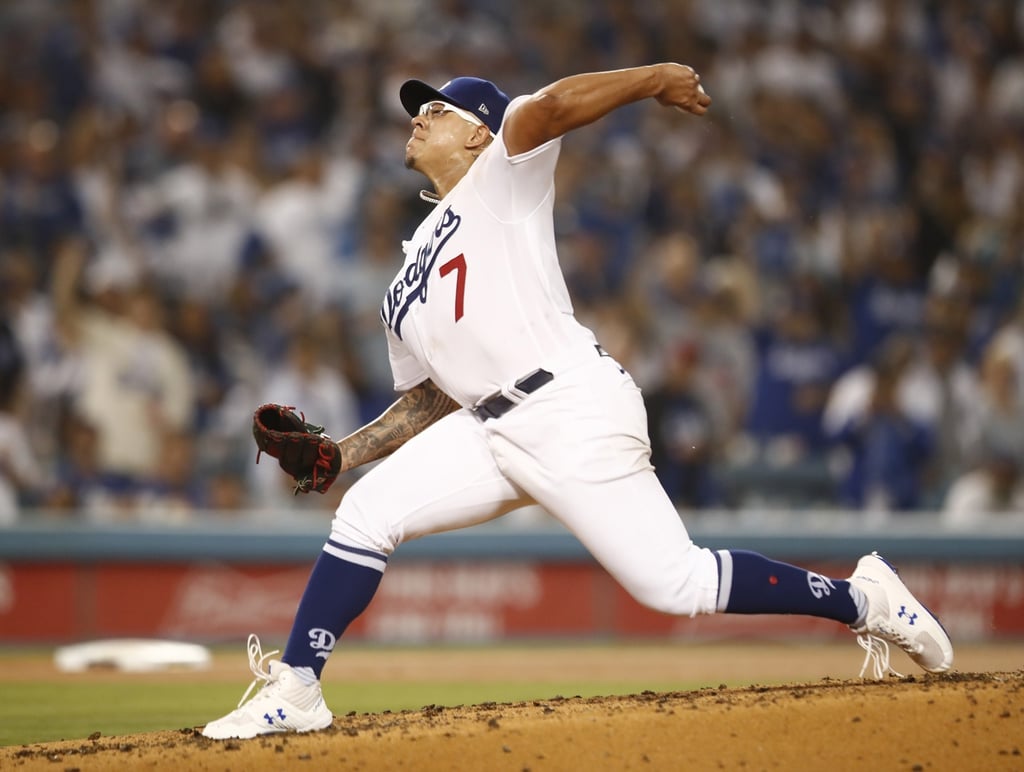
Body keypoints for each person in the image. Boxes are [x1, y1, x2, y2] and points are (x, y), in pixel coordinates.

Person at [202, 64, 954, 740]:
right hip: (486, 429)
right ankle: (298, 690)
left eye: (439, 109)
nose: (420, 115)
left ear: (478, 136)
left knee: (676, 583)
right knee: (366, 512)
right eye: (418, 108)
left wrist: (655, 76)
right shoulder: (403, 281)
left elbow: (553, 103)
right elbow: (426, 400)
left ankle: (865, 600)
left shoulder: (504, 178)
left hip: (569, 406)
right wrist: (343, 453)